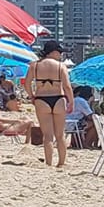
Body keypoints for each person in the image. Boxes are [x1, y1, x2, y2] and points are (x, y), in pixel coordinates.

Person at [24, 40, 72, 169]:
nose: (61, 55)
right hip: (58, 98)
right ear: (53, 52)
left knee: (48, 135)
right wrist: (71, 102)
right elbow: (67, 87)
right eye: (59, 52)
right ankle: (61, 163)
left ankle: (49, 163)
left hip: (42, 99)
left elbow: (26, 83)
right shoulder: (61, 66)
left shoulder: (34, 65)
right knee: (60, 134)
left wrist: (31, 96)